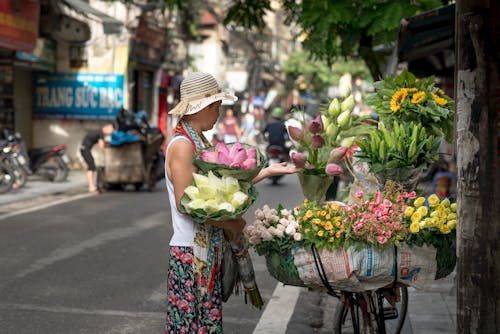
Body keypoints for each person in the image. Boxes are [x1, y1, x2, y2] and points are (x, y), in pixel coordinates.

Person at [164, 72, 301, 333]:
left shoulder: (200, 141)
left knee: (206, 323)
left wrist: (268, 172)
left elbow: (224, 188)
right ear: (201, 107)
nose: (218, 112)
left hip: (207, 252)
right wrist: (231, 222)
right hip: (191, 254)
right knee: (191, 325)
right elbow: (186, 204)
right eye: (216, 106)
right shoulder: (183, 146)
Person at [80, 123, 115, 192]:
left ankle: (92, 185)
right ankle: (91, 186)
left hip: (85, 149)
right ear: (107, 127)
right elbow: (101, 146)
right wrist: (107, 154)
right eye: (111, 130)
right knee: (91, 167)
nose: (111, 132)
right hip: (85, 149)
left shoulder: (99, 132)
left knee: (92, 166)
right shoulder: (100, 133)